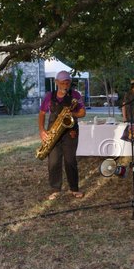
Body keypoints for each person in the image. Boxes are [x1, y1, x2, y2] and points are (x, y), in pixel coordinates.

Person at [39, 71, 87, 200]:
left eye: (67, 82)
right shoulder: (50, 96)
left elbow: (83, 112)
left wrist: (73, 115)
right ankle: (55, 189)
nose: (65, 84)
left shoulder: (75, 95)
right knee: (53, 162)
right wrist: (42, 130)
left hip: (71, 132)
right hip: (53, 132)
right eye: (62, 82)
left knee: (70, 160)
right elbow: (42, 113)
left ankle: (74, 188)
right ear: (56, 82)